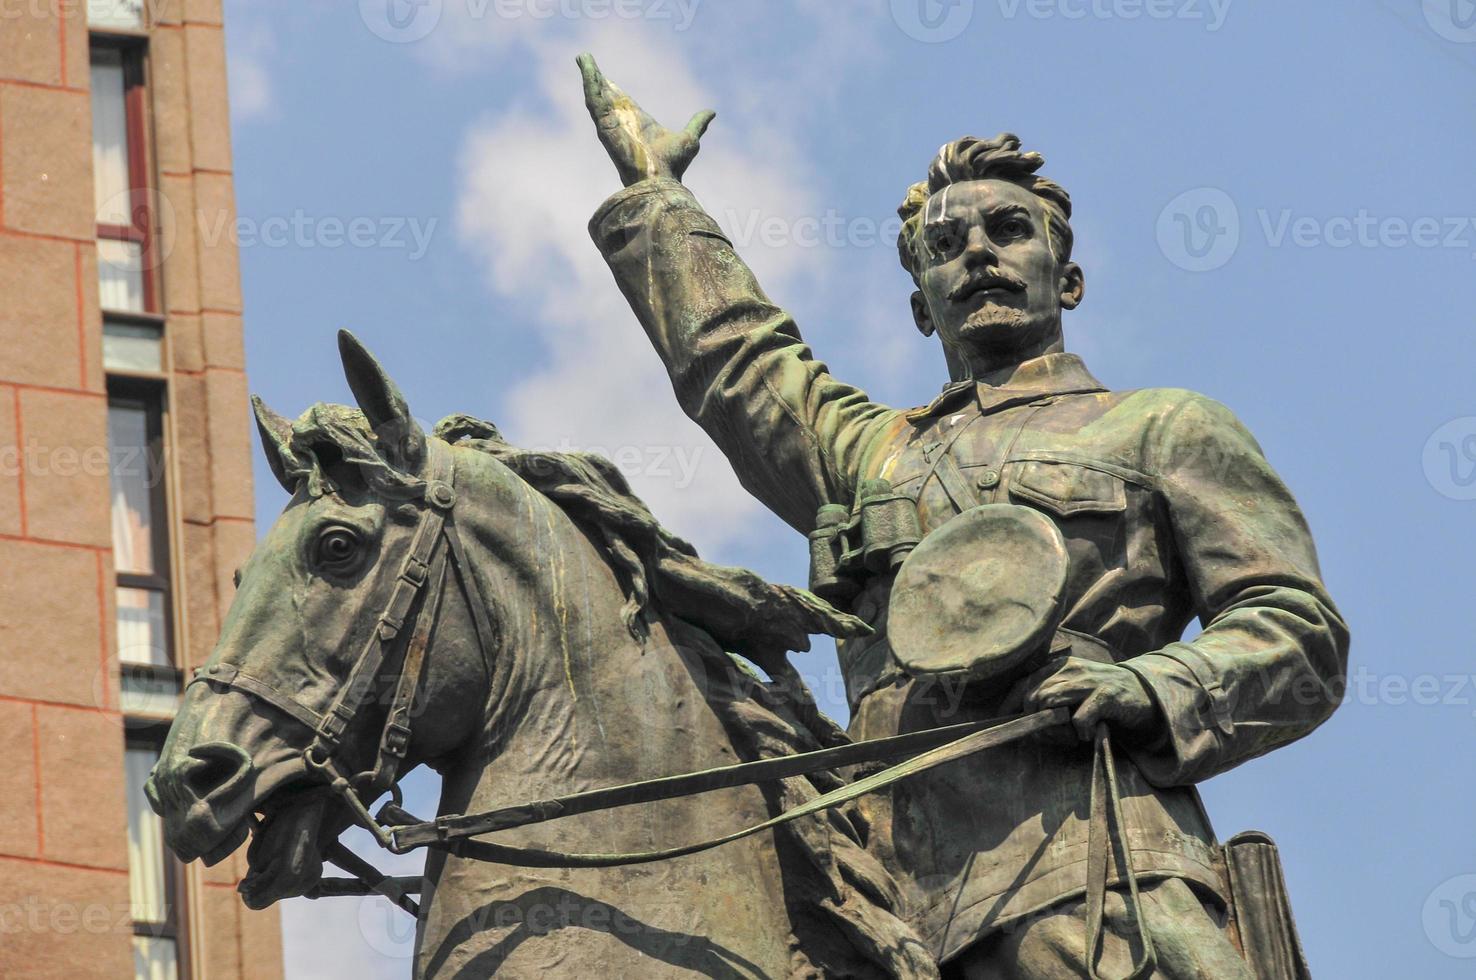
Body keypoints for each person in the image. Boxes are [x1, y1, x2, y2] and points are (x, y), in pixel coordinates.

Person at [576, 53, 1348, 978]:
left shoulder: (1166, 429)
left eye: (1008, 230)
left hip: (1090, 872)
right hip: (874, 898)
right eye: (946, 248)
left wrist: (1152, 687)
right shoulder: (871, 454)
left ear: (1068, 278)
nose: (976, 253)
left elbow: (1297, 634)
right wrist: (657, 196)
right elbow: (735, 364)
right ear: (919, 306)